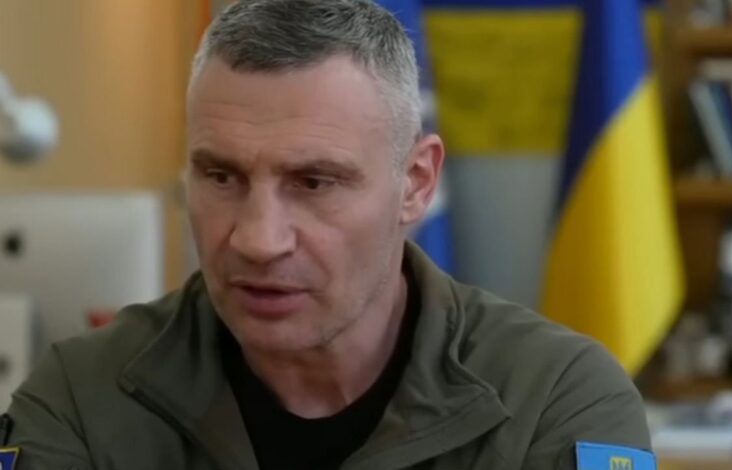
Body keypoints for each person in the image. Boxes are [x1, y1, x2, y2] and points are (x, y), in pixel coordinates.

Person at [2, 1, 653, 469]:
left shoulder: (554, 397)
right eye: (222, 176)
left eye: (314, 182)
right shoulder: (83, 398)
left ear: (416, 183)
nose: (258, 240)